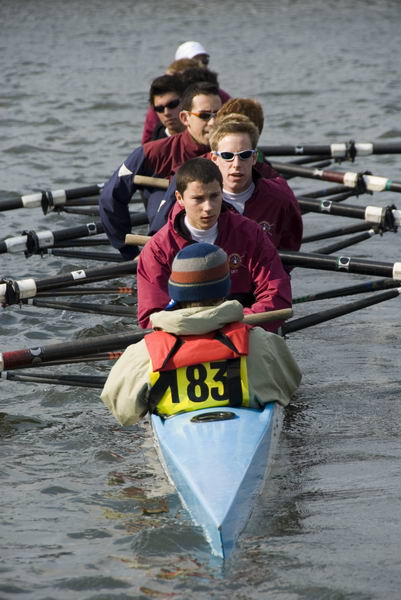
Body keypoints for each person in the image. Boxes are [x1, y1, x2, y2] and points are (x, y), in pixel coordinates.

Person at [100, 242, 301, 426]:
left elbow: (123, 413)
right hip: (244, 433)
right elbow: (289, 386)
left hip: (178, 439)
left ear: (175, 291)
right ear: (224, 289)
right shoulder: (261, 342)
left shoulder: (143, 353)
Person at [136, 157, 292, 333]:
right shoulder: (158, 249)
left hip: (243, 328)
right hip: (185, 339)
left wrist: (229, 329)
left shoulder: (249, 233)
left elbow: (277, 297)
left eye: (214, 196)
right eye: (198, 199)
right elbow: (152, 317)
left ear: (222, 192)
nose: (208, 207)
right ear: (180, 198)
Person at [100, 81, 222, 259]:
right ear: (185, 118)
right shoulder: (153, 152)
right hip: (170, 249)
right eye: (204, 116)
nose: (213, 122)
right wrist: (128, 252)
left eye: (218, 115)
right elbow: (109, 197)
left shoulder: (238, 151)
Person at [209, 118, 303, 253]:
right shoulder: (199, 199)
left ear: (254, 158)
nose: (236, 164)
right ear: (214, 159)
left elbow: (291, 243)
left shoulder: (280, 196)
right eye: (227, 155)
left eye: (244, 155)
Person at [141, 42, 230, 144]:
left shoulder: (219, 95)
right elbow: (146, 143)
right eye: (203, 115)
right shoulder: (159, 103)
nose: (166, 112)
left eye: (205, 61)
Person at [147, 74, 185, 141]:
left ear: (185, 101)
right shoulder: (154, 145)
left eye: (172, 104)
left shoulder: (204, 136)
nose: (166, 113)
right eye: (159, 109)